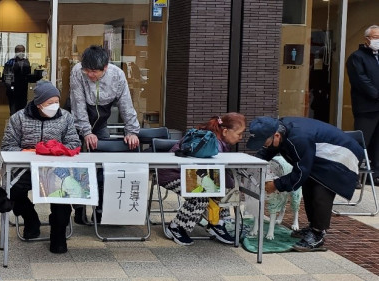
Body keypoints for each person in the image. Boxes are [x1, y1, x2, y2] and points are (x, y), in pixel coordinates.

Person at [246, 116, 364, 252]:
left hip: (341, 154)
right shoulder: (279, 131)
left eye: (264, 142)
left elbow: (300, 172)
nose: (263, 145)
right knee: (308, 186)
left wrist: (277, 185)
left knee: (321, 190)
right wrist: (252, 167)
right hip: (321, 154)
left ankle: (318, 233)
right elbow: (268, 151)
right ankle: (313, 227)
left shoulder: (298, 139)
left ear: (276, 135)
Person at [1, 80, 81, 253]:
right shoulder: (19, 118)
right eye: (49, 103)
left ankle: (58, 236)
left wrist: (57, 149)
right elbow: (8, 146)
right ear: (38, 104)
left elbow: (74, 143)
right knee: (11, 190)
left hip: (56, 169)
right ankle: (30, 218)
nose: (54, 106)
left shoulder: (65, 117)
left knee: (62, 198)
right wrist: (27, 152)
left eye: (56, 102)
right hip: (25, 169)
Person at [69, 45, 141, 222]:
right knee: (79, 167)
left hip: (101, 121)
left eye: (94, 72)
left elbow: (126, 104)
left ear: (105, 67)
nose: (90, 75)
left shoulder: (117, 75)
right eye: (87, 70)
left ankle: (100, 209)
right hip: (78, 121)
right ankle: (79, 210)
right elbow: (78, 104)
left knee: (104, 165)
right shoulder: (78, 71)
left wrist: (131, 131)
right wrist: (85, 132)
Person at [157, 113, 246, 246]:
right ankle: (175, 227)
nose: (241, 137)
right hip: (171, 174)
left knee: (221, 190)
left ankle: (216, 223)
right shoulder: (210, 141)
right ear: (226, 131)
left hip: (190, 174)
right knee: (201, 196)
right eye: (239, 133)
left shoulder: (216, 140)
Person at [346, 24, 379, 185]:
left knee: (377, 144)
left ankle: (375, 176)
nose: (378, 41)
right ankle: (354, 175)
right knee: (361, 142)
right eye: (375, 37)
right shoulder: (357, 57)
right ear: (367, 39)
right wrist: (376, 94)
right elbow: (360, 80)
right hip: (366, 108)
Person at [4, 44, 31, 115]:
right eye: (19, 51)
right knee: (13, 110)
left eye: (23, 51)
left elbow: (28, 75)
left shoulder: (26, 62)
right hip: (13, 90)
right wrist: (10, 88)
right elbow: (7, 77)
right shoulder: (10, 62)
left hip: (23, 89)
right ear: (15, 52)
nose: (21, 53)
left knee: (22, 110)